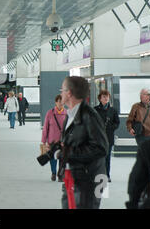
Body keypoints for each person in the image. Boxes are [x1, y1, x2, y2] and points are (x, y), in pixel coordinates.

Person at [57, 76, 108, 209]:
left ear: (69, 93)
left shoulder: (90, 115)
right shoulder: (71, 114)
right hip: (73, 174)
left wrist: (68, 153)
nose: (60, 93)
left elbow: (101, 148)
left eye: (62, 90)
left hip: (88, 180)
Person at [94, 89, 120, 182]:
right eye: (104, 97)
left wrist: (111, 127)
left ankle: (107, 175)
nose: (106, 98)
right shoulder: (95, 110)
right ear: (100, 98)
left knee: (107, 157)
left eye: (107, 97)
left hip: (108, 137)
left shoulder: (113, 110)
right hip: (98, 138)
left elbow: (117, 122)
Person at [41, 94, 67, 181]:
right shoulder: (50, 113)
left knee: (62, 158)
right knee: (53, 158)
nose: (61, 103)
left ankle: (60, 175)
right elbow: (45, 128)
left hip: (63, 140)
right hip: (52, 140)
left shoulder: (67, 113)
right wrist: (43, 141)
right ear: (56, 102)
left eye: (62, 101)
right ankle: (53, 173)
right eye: (59, 101)